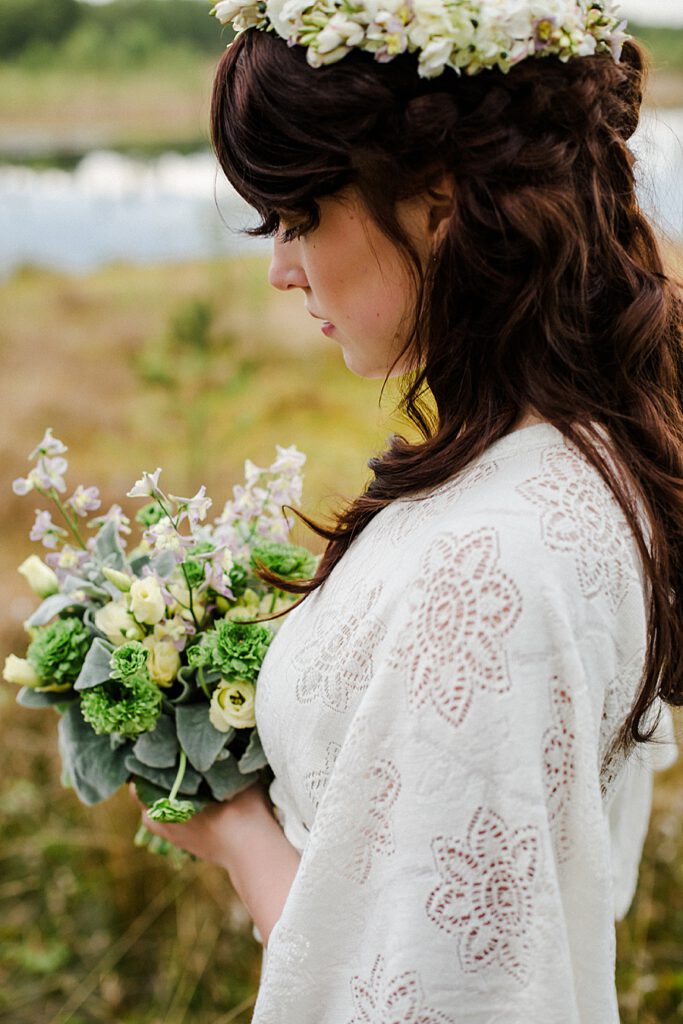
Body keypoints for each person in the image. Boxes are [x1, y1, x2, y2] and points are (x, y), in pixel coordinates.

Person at [138, 1, 682, 1019]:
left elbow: (431, 990)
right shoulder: (578, 455)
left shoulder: (485, 565)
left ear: (436, 199)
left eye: (301, 214)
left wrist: (241, 838)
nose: (280, 269)